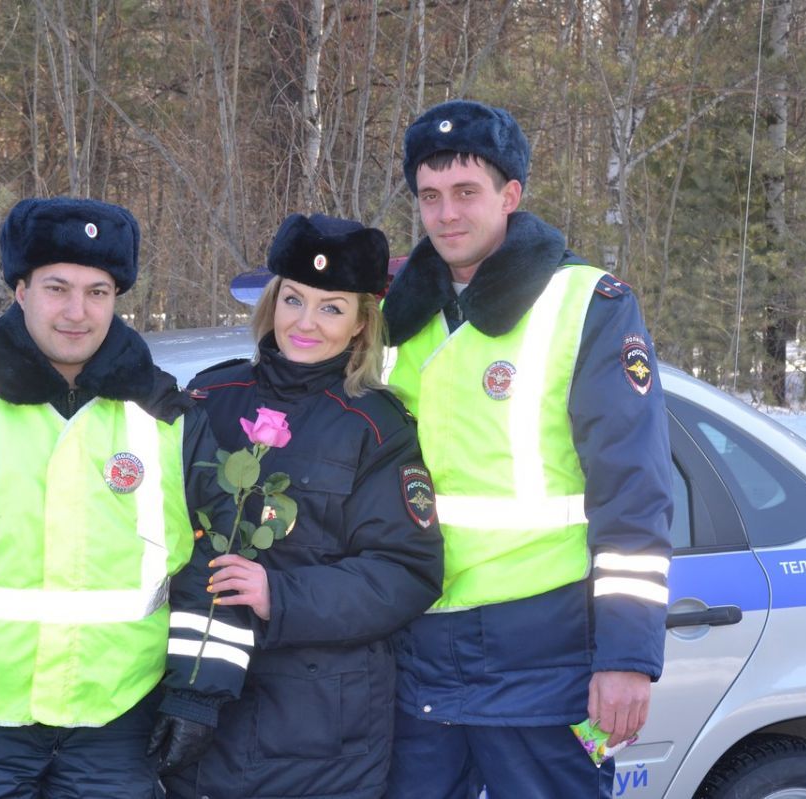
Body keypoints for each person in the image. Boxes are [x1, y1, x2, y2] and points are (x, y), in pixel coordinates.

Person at [0, 197, 237, 799]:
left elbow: (216, 567)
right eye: (57, 288)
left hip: (120, 721)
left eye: (98, 291)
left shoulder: (169, 416)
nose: (77, 312)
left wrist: (196, 692)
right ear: (20, 290)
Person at [381, 100, 674, 798]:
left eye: (466, 193)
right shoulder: (396, 316)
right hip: (416, 645)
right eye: (430, 196)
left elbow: (633, 490)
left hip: (544, 648)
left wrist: (628, 656)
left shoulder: (585, 302)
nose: (447, 214)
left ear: (510, 195)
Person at [151, 213, 445, 799]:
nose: (305, 323)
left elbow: (407, 570)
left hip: (322, 732)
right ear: (271, 303)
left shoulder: (377, 428)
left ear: (362, 323)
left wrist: (279, 594)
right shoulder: (210, 398)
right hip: (202, 710)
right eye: (293, 300)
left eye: (331, 307)